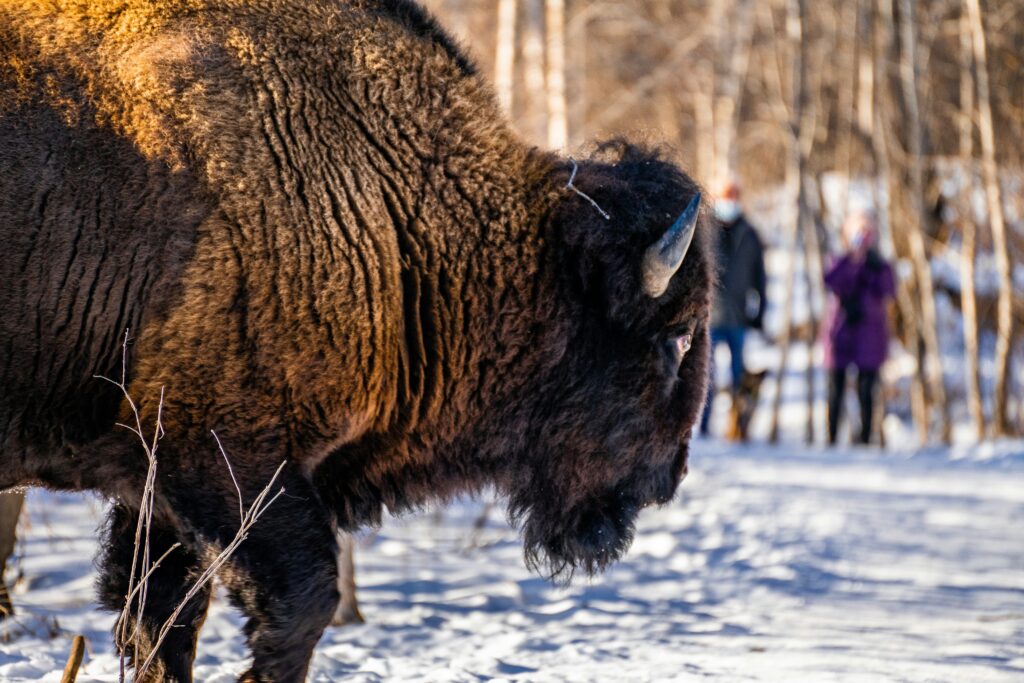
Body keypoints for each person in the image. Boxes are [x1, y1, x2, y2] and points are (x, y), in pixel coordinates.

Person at [822, 211, 896, 445]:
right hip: (840, 334)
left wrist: (871, 267)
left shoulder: (880, 266)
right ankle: (832, 437)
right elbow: (830, 280)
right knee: (836, 389)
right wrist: (851, 262)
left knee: (867, 390)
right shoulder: (839, 261)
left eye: (866, 232)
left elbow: (888, 290)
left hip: (869, 335)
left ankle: (866, 438)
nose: (862, 237)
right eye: (858, 231)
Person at [700, 177, 767, 435]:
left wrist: (760, 310)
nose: (730, 202)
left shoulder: (750, 234)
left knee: (740, 376)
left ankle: (738, 428)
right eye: (725, 196)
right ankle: (704, 427)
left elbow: (760, 276)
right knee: (707, 375)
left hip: (739, 316)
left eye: (733, 196)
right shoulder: (705, 230)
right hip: (710, 316)